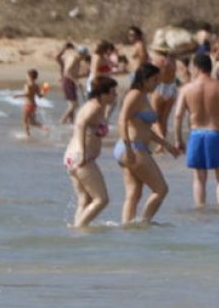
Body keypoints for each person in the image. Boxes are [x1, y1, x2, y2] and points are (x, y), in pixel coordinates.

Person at [117, 64, 179, 225]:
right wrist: (129, 147)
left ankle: (127, 228)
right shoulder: (135, 95)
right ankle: (143, 223)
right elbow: (121, 120)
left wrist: (167, 145)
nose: (157, 83)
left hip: (133, 147)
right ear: (144, 80)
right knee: (161, 190)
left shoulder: (143, 96)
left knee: (134, 194)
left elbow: (146, 130)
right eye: (154, 80)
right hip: (133, 148)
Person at [174, 53, 219, 208]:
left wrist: (177, 139)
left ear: (196, 67)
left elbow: (178, 115)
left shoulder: (187, 89)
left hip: (196, 135)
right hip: (216, 133)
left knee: (199, 178)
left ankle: (200, 208)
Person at [64, 76, 118, 227]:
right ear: (103, 93)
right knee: (101, 200)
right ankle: (79, 228)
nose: (115, 95)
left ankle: (78, 236)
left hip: (71, 157)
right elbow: (80, 124)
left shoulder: (94, 105)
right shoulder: (95, 107)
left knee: (85, 199)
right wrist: (82, 152)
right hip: (81, 157)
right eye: (113, 92)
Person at [149, 42, 180, 140]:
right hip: (171, 88)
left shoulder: (156, 60)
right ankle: (163, 143)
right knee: (164, 119)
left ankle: (161, 139)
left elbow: (153, 76)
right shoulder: (172, 60)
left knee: (154, 118)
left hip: (160, 87)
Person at [56, 42, 88, 125]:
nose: (84, 58)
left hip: (70, 81)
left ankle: (71, 123)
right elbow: (67, 73)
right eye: (84, 55)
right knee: (74, 105)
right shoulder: (73, 59)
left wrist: (83, 75)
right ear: (82, 54)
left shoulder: (76, 59)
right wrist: (76, 82)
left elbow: (73, 74)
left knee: (72, 104)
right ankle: (61, 121)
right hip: (68, 81)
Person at [13, 68, 45, 137]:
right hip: (34, 105)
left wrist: (17, 95)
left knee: (25, 121)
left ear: (30, 77)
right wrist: (43, 91)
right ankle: (44, 128)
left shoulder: (27, 85)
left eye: (27, 76)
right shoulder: (36, 86)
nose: (26, 77)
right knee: (32, 121)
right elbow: (40, 96)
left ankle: (27, 135)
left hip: (28, 105)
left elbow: (27, 93)